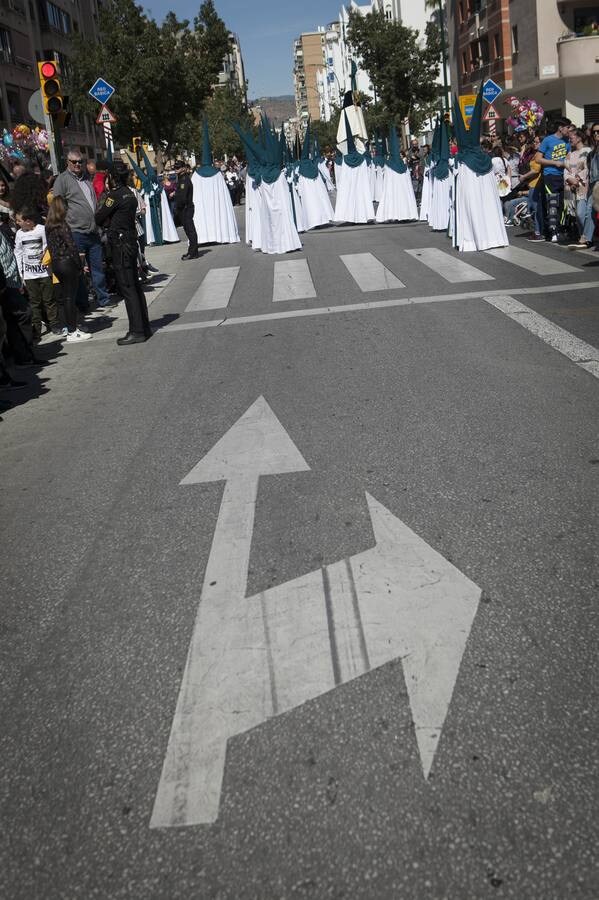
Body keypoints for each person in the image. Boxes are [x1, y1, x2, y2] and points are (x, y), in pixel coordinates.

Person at [95, 161, 151, 345]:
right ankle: (144, 326)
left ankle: (136, 331)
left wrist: (106, 194)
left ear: (112, 176)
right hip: (129, 241)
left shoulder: (115, 196)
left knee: (127, 287)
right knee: (134, 286)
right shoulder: (129, 193)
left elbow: (99, 216)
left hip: (120, 244)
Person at [52, 148, 114, 310]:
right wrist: (64, 224)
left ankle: (103, 299)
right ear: (68, 163)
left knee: (97, 267)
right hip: (75, 231)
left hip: (93, 230)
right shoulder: (62, 180)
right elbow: (57, 205)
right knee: (78, 271)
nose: (78, 164)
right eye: (75, 162)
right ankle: (83, 303)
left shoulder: (87, 178)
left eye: (81, 162)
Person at [45, 196, 91, 343]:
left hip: (56, 264)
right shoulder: (62, 225)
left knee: (65, 298)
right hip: (67, 263)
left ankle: (69, 327)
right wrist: (79, 264)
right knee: (71, 297)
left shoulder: (49, 226)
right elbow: (71, 246)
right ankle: (73, 330)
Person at [14, 207, 59, 341]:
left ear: (28, 221)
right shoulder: (19, 234)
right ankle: (37, 329)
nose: (17, 223)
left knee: (49, 300)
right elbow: (18, 253)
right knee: (34, 302)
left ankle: (54, 324)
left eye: (19, 220)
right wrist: (20, 273)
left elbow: (47, 246)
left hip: (44, 272)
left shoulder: (41, 229)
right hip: (29, 275)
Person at [535, 118, 571, 242]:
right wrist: (555, 163)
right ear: (560, 128)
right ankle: (552, 232)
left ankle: (559, 230)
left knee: (562, 204)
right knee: (552, 203)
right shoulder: (548, 140)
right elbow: (538, 159)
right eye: (567, 127)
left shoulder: (568, 141)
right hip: (550, 175)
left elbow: (568, 157)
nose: (569, 130)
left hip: (563, 176)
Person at [564, 129, 590, 248]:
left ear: (579, 138)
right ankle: (582, 236)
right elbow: (566, 169)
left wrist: (577, 179)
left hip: (583, 186)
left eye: (572, 137)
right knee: (575, 214)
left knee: (581, 213)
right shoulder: (570, 154)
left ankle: (586, 236)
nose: (570, 140)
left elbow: (587, 168)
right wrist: (570, 179)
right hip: (571, 187)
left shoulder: (587, 151)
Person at [173, 159, 199, 260]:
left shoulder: (184, 180)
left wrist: (177, 207)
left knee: (190, 230)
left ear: (183, 168)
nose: (176, 169)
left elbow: (183, 198)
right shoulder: (181, 178)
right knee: (188, 231)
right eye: (175, 167)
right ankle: (192, 251)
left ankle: (193, 252)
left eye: (178, 167)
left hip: (185, 209)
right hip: (184, 209)